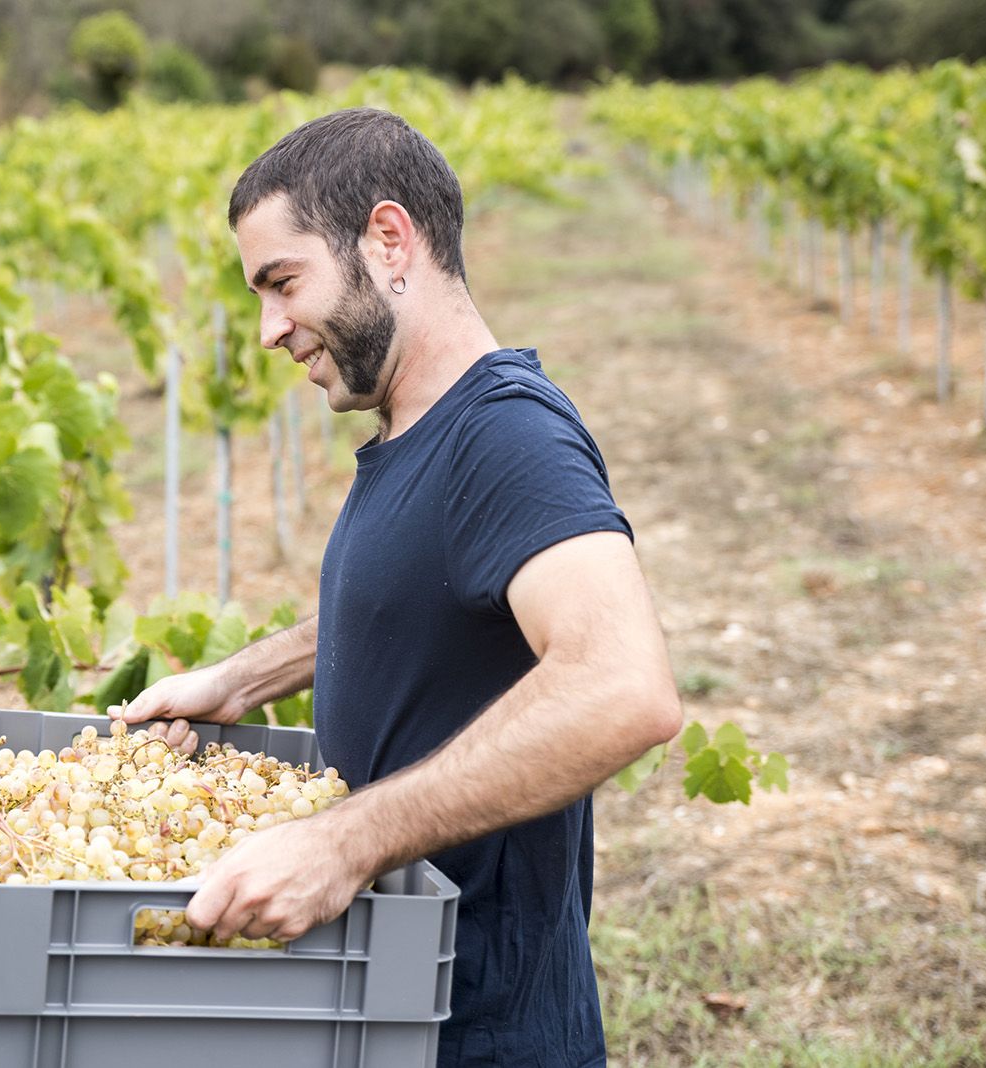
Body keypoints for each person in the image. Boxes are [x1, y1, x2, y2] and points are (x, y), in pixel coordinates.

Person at [110, 107, 681, 1068]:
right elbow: (431, 596)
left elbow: (624, 687)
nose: (268, 329)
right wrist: (243, 680)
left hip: (476, 1030)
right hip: (395, 1009)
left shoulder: (507, 436)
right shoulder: (419, 429)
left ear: (387, 240)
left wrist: (343, 844)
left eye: (283, 283)